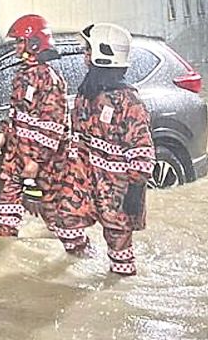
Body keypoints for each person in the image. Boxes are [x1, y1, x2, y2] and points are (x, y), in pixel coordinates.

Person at [46, 22, 155, 275]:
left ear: (103, 54)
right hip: (83, 178)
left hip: (117, 187)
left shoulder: (130, 102)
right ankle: (86, 262)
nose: (84, 55)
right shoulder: (87, 93)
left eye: (88, 50)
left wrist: (134, 192)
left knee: (119, 250)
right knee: (64, 223)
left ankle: (118, 286)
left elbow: (142, 150)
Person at [0, 14, 68, 239]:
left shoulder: (49, 78)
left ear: (34, 43)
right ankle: (2, 250)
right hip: (18, 157)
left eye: (19, 42)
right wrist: (2, 136)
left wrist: (36, 160)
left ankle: (77, 252)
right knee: (6, 215)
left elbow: (54, 125)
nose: (16, 47)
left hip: (44, 162)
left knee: (55, 218)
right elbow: (16, 112)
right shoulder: (22, 75)